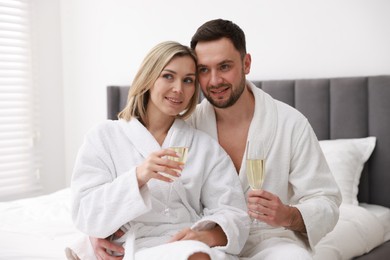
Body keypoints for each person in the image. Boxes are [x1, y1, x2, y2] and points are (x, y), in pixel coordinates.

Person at [90, 19, 342, 259]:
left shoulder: (291, 124)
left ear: (246, 64)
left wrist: (288, 215)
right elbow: (118, 186)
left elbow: (325, 201)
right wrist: (96, 229)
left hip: (270, 239)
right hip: (204, 242)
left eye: (224, 66)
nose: (214, 80)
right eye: (203, 70)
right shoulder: (184, 128)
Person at [67, 41, 250, 260]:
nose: (178, 89)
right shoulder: (104, 137)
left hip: (187, 245)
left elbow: (234, 214)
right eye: (168, 76)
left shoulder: (205, 146)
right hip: (131, 247)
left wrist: (203, 236)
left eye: (188, 80)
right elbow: (84, 213)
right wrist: (138, 177)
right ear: (148, 77)